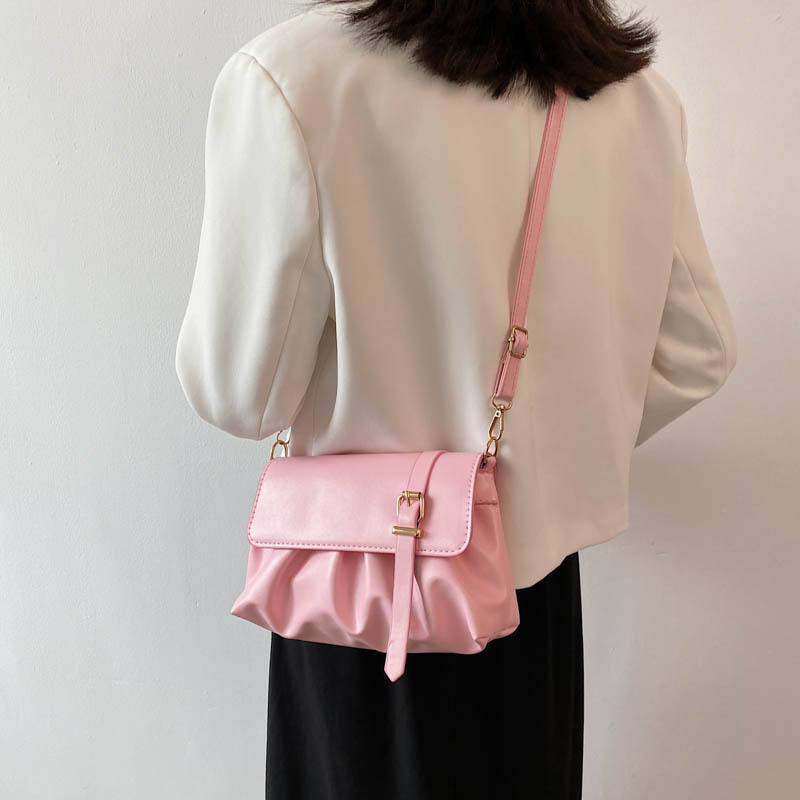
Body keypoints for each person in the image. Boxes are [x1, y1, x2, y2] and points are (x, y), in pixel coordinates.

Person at [174, 1, 737, 797]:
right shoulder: (634, 97)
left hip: (358, 585)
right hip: (535, 606)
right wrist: (549, 454)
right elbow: (698, 347)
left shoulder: (292, 78)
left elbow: (239, 393)